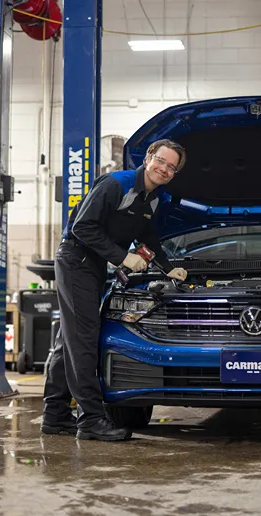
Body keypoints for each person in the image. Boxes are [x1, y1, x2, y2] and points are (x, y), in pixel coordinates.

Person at [42, 139, 188, 441]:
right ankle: (91, 420)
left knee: (68, 340)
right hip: (76, 259)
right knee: (84, 339)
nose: (164, 168)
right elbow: (82, 227)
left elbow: (146, 235)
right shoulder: (116, 184)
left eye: (172, 167)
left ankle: (55, 416)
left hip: (95, 266)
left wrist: (166, 266)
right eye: (161, 160)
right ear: (148, 158)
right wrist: (124, 257)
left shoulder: (154, 198)